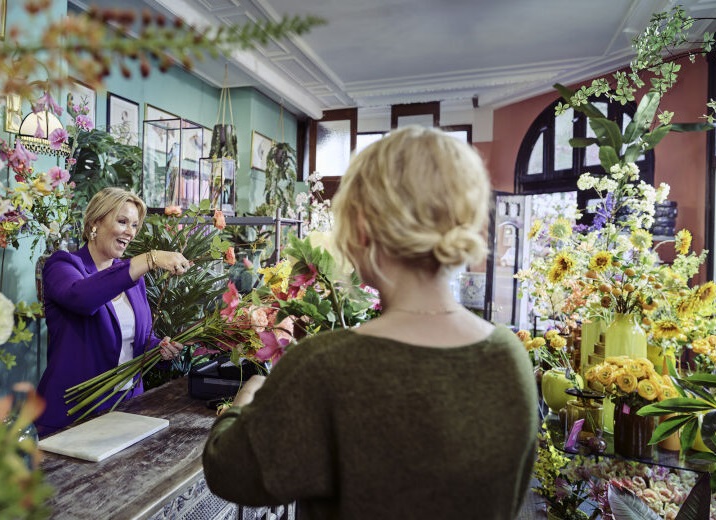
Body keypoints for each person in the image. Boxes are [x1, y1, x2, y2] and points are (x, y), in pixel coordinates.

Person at [202, 126, 539, 519]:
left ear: (361, 226)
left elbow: (230, 471)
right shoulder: (509, 358)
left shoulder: (325, 364)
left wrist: (244, 402)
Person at [35, 187, 190, 436]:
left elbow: (135, 342)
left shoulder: (132, 278)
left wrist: (158, 349)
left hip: (127, 409)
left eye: (134, 225)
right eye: (122, 221)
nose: (130, 232)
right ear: (96, 222)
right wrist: (149, 259)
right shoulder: (62, 265)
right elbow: (83, 298)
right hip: (73, 414)